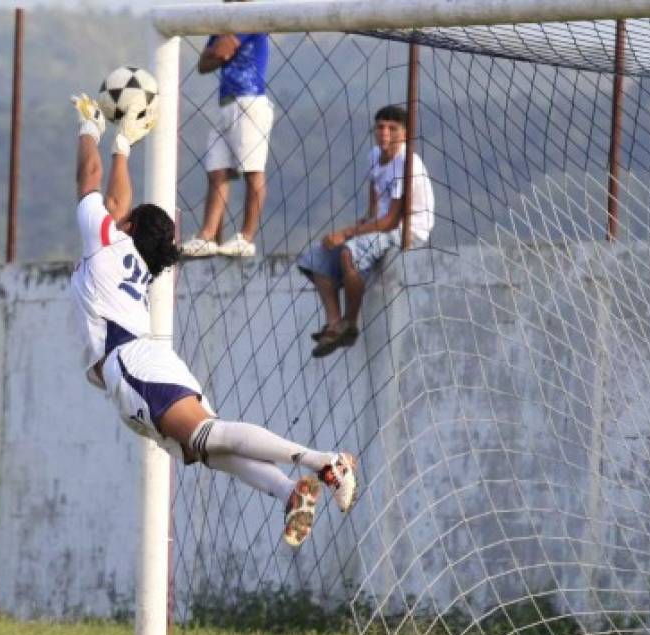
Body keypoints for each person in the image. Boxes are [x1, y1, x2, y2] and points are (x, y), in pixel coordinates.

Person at [69, 91, 356, 547]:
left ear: (126, 229)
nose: (113, 211)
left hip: (131, 362)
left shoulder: (107, 244)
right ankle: (288, 492)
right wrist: (122, 144)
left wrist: (90, 130)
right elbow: (119, 203)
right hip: (146, 360)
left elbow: (90, 180)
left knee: (208, 436)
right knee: (206, 447)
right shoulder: (133, 260)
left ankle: (322, 462)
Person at [297, 105, 434, 359]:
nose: (385, 133)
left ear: (404, 134)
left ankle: (350, 321)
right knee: (315, 258)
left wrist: (348, 234)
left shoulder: (407, 162)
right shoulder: (374, 156)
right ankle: (334, 321)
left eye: (392, 128)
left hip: (408, 230)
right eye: (381, 127)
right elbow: (375, 202)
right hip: (380, 225)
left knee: (349, 252)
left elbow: (392, 221)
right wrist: (362, 224)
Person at [180, 0, 273, 259]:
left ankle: (246, 236)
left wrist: (219, 51)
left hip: (250, 100)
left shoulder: (250, 17)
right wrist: (218, 51)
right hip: (225, 103)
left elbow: (221, 52)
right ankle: (208, 235)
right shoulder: (223, 23)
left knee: (252, 170)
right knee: (217, 170)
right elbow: (205, 63)